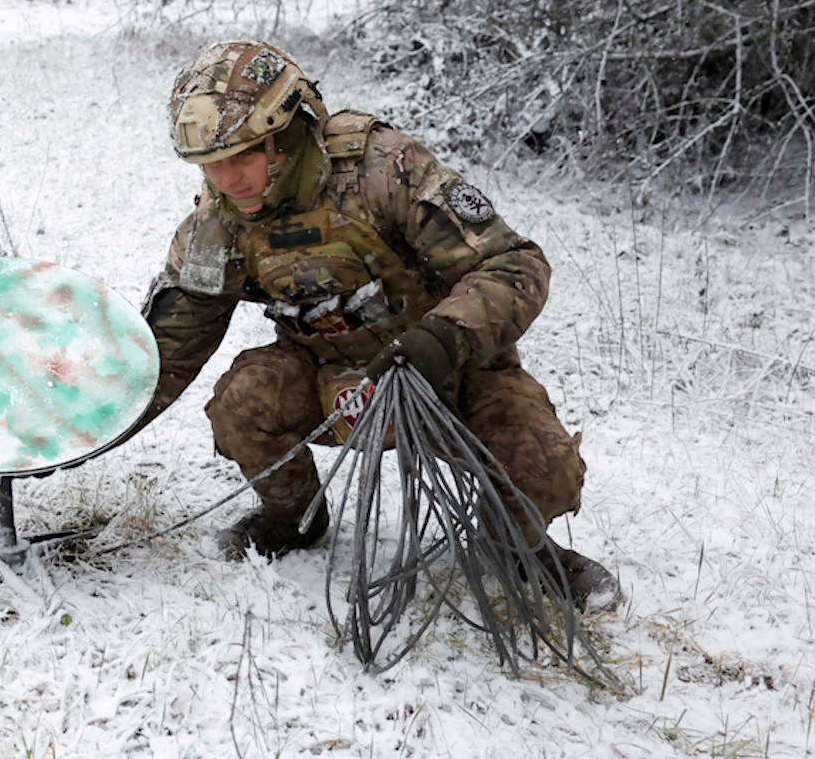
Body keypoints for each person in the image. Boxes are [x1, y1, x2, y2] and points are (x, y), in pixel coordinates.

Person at [133, 40, 617, 610]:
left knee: (543, 466)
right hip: (330, 378)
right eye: (211, 165)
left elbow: (515, 264)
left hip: (448, 369)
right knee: (243, 402)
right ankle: (293, 520)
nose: (227, 179)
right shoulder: (219, 223)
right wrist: (75, 433)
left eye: (243, 157)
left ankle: (517, 546)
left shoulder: (382, 170)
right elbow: (170, 345)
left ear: (285, 135)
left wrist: (442, 339)